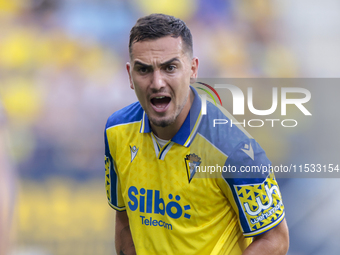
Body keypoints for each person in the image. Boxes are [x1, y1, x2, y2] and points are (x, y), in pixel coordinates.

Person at [104, 13, 289, 255]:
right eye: (144, 70)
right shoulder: (116, 131)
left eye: (170, 67)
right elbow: (124, 220)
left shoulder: (235, 150)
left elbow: (275, 239)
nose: (157, 82)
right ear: (130, 75)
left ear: (193, 69)